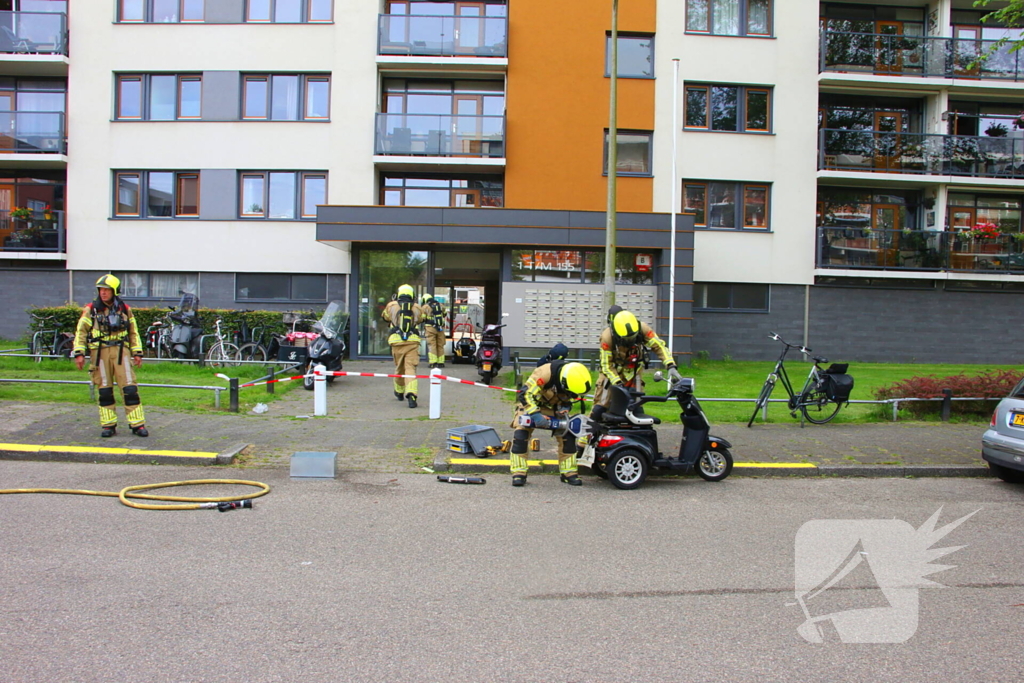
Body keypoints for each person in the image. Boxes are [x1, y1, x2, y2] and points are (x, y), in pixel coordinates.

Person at [72, 274, 148, 438]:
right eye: (101, 290)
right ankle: (108, 425)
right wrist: (79, 353)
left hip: (121, 352)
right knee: (105, 390)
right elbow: (81, 332)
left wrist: (137, 352)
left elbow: (133, 332)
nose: (103, 293)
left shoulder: (125, 309)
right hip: (100, 354)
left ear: (115, 291)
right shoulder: (91, 309)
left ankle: (137, 424)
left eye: (107, 290)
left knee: (130, 388)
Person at [509, 360, 593, 487]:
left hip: (554, 408)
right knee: (521, 435)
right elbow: (525, 394)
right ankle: (518, 473)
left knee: (568, 435)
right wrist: (536, 415)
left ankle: (568, 473)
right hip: (531, 406)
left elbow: (567, 397)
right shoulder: (544, 373)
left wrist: (565, 407)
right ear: (562, 381)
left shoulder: (573, 378)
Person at [590, 308, 682, 423]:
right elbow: (606, 365)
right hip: (612, 375)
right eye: (626, 339)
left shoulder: (642, 328)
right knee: (600, 407)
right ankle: (585, 438)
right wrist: (618, 383)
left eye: (632, 338)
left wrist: (670, 365)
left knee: (636, 407)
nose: (630, 341)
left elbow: (659, 346)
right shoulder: (607, 337)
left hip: (634, 372)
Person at [382, 284, 422, 408]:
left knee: (399, 367)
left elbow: (385, 317)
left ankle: (399, 391)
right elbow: (421, 319)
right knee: (410, 368)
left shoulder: (391, 305)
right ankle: (411, 394)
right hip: (412, 341)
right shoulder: (416, 307)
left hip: (396, 341)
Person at [419, 292, 447, 369]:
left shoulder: (425, 307)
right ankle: (441, 362)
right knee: (440, 345)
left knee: (432, 345)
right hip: (440, 328)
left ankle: (433, 362)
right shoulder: (440, 305)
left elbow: (422, 318)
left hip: (430, 328)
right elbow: (444, 314)